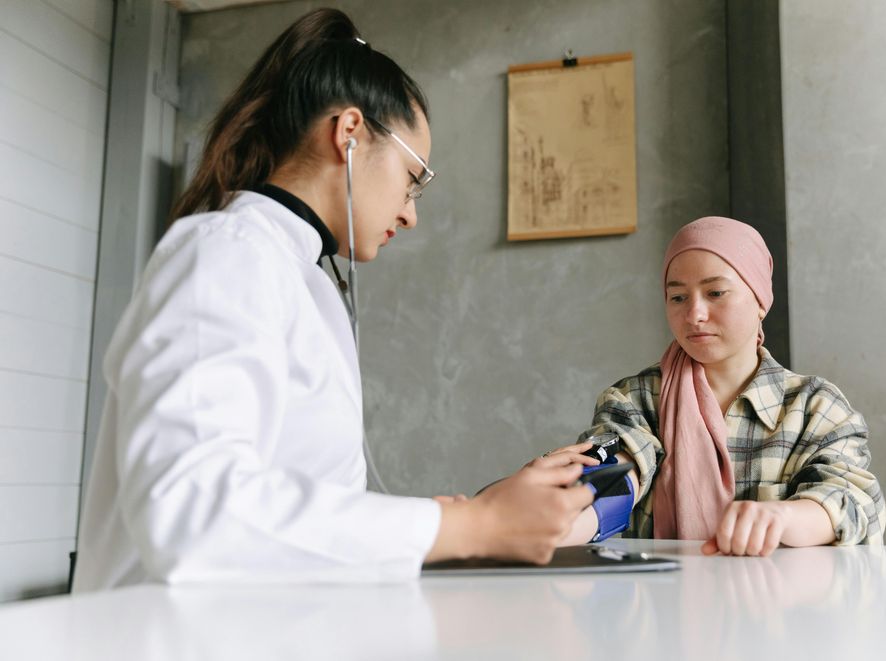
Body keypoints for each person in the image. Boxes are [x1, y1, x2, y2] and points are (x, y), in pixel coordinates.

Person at [73, 8, 592, 591]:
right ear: (348, 133)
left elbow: (305, 520)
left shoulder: (307, 278)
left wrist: (483, 516)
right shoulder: (227, 252)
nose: (410, 212)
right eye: (413, 177)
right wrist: (468, 525)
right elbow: (193, 514)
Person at [550, 216, 886, 555]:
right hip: (663, 601)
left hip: (778, 603)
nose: (694, 314)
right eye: (678, 297)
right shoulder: (634, 399)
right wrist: (559, 524)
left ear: (759, 300)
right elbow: (619, 470)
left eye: (715, 293)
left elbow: (853, 501)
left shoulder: (815, 407)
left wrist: (782, 517)